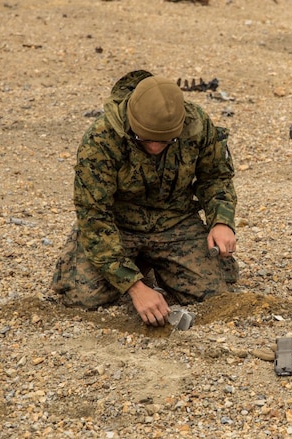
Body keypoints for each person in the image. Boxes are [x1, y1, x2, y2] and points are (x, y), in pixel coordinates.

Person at [51, 70, 238, 327]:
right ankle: (134, 265)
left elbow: (215, 177)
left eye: (166, 141)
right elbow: (94, 217)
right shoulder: (100, 140)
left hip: (175, 224)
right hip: (119, 227)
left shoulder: (197, 125)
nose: (154, 148)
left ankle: (151, 265)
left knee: (215, 293)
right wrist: (134, 287)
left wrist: (221, 221)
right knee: (81, 295)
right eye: (145, 139)